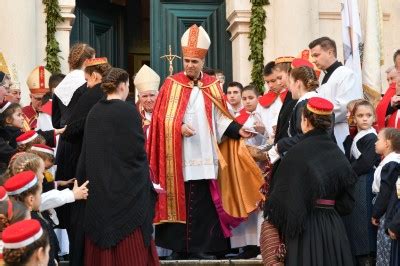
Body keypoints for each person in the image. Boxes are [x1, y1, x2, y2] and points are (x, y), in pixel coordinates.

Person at [148, 24, 260, 260]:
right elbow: (161, 118)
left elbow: (220, 118)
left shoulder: (212, 85)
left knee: (204, 201)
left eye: (194, 62)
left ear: (202, 61)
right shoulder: (172, 83)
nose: (189, 65)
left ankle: (206, 247)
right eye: (187, 60)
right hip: (179, 154)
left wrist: (238, 130)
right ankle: (180, 248)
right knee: (183, 198)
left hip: (206, 154)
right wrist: (178, 127)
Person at [77, 68, 159, 266]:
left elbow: (87, 153)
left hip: (99, 192)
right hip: (127, 194)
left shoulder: (94, 112)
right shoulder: (129, 111)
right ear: (122, 86)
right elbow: (137, 154)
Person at [261, 97, 357, 265]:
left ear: (305, 120)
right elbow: (347, 204)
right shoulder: (339, 155)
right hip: (333, 230)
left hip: (302, 231)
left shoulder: (294, 154)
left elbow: (279, 204)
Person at [52, 43, 95, 239]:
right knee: (83, 194)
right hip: (82, 144)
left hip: (64, 145)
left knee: (69, 195)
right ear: (87, 61)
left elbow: (55, 121)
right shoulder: (87, 85)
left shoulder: (60, 86)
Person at [342, 100, 380, 264]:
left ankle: (367, 256)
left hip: (366, 181)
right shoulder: (356, 137)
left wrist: (347, 174)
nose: (365, 119)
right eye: (360, 115)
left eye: (368, 115)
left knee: (364, 220)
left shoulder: (372, 137)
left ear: (374, 118)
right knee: (357, 219)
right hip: (358, 182)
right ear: (353, 118)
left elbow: (365, 163)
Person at [309, 37, 363, 151]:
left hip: (341, 133)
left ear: (330, 52)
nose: (313, 60)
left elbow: (345, 106)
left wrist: (317, 119)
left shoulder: (346, 74)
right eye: (313, 56)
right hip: (326, 131)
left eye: (316, 55)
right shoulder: (326, 76)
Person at [371, 128, 400, 265]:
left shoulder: (392, 164)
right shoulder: (390, 161)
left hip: (387, 212)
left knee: (386, 248)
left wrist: (376, 213)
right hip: (387, 209)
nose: (375, 143)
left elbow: (385, 193)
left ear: (387, 143)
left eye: (378, 139)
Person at [134, 64, 160, 140]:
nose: (149, 100)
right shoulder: (134, 113)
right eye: (144, 96)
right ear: (139, 97)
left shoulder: (166, 112)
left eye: (152, 95)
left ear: (158, 95)